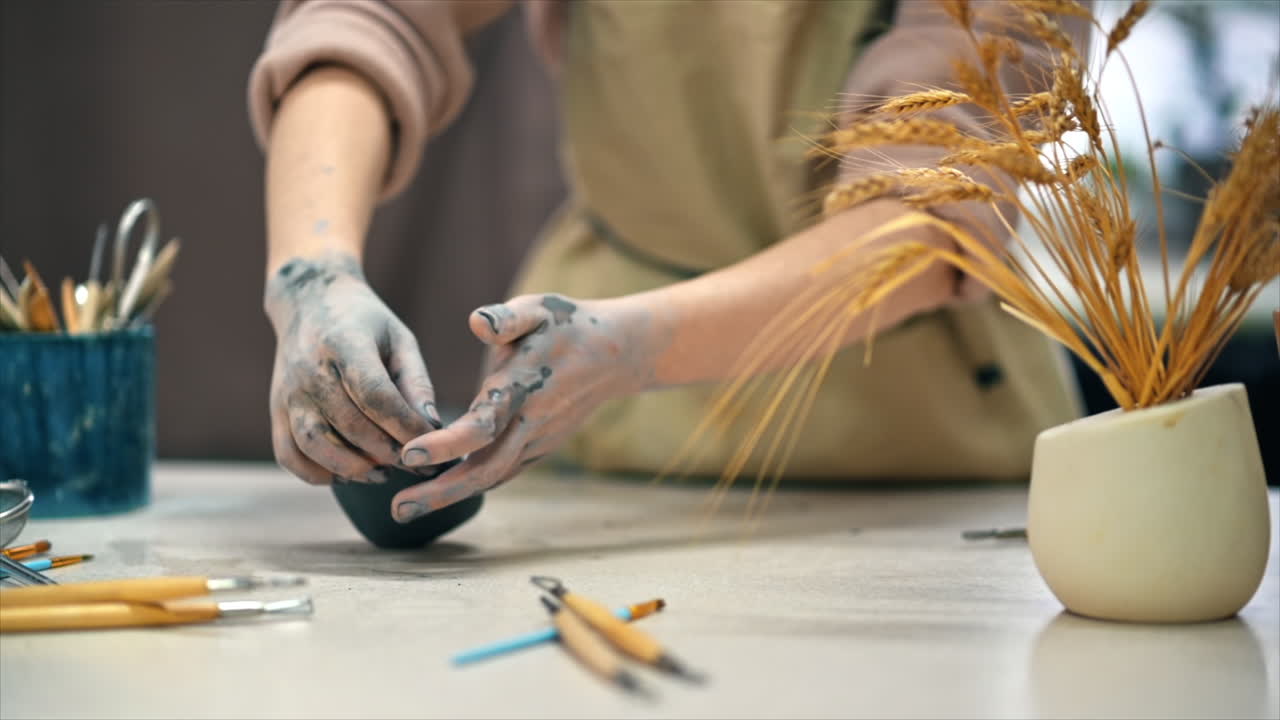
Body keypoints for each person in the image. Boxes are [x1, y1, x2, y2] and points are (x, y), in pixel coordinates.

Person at [247, 0, 1087, 528]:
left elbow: (930, 213)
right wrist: (312, 276)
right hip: (607, 461)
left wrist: (632, 346)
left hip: (914, 451)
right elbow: (369, 17)